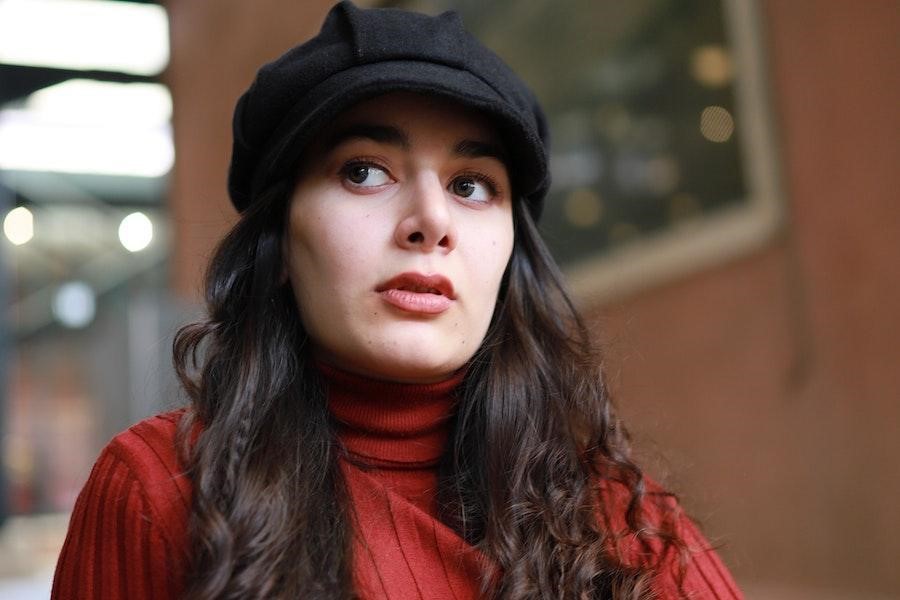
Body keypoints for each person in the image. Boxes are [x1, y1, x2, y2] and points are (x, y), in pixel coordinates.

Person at [52, 2, 743, 599]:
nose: (431, 220)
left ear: (510, 253)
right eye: (364, 171)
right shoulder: (158, 491)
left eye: (471, 185)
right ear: (282, 242)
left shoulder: (622, 524)